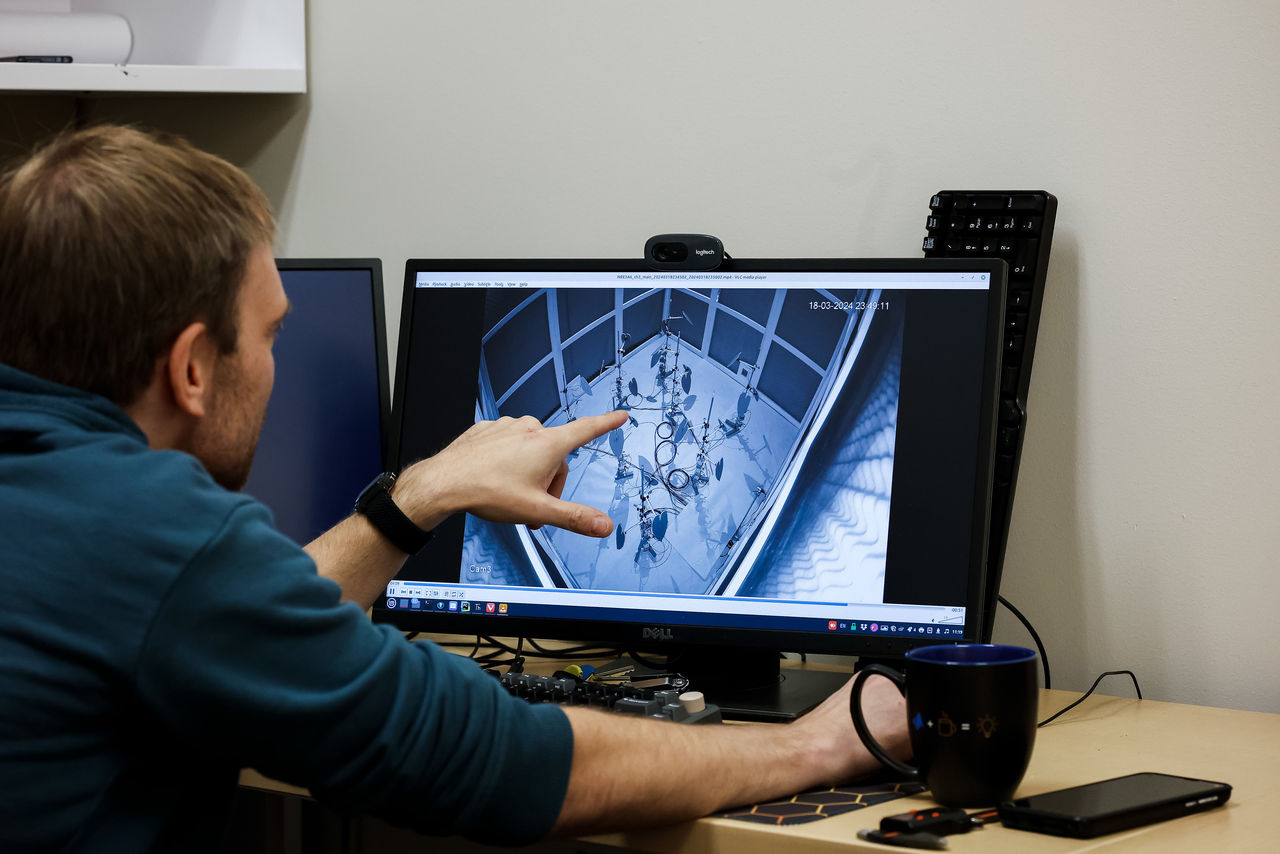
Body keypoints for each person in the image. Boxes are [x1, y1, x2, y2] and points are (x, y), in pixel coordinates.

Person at [0, 125, 908, 852]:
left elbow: (238, 619)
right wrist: (819, 743)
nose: (277, 364)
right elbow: (513, 767)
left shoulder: (76, 514)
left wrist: (415, 499)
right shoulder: (157, 539)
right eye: (272, 334)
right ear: (194, 368)